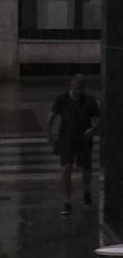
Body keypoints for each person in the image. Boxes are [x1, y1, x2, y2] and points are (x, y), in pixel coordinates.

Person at [50, 74, 100, 216]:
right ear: (70, 86)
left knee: (86, 168)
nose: (78, 92)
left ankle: (86, 189)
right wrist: (50, 135)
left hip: (84, 138)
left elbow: (99, 118)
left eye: (81, 89)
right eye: (76, 88)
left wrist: (94, 129)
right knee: (66, 169)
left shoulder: (89, 101)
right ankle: (66, 201)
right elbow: (51, 116)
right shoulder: (62, 99)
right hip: (67, 138)